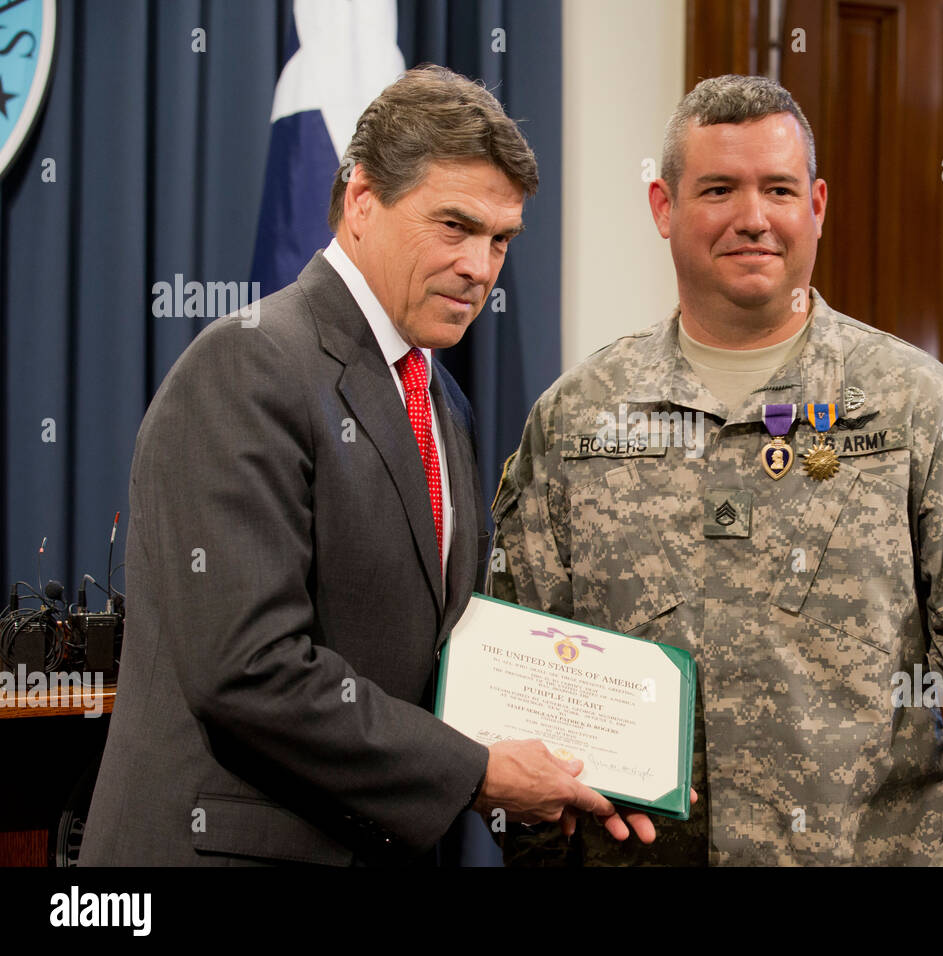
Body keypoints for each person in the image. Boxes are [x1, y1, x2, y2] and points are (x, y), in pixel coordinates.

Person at [489, 75, 943, 866]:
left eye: (779, 189)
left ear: (818, 206)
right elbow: (519, 700)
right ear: (663, 208)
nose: (753, 218)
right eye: (719, 189)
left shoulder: (911, 410)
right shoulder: (578, 420)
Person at [80, 65, 652, 866]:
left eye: (501, 240)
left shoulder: (440, 398)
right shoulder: (248, 365)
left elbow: (434, 660)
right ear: (360, 201)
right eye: (453, 227)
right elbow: (250, 670)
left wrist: (584, 764)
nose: (481, 268)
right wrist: (480, 772)